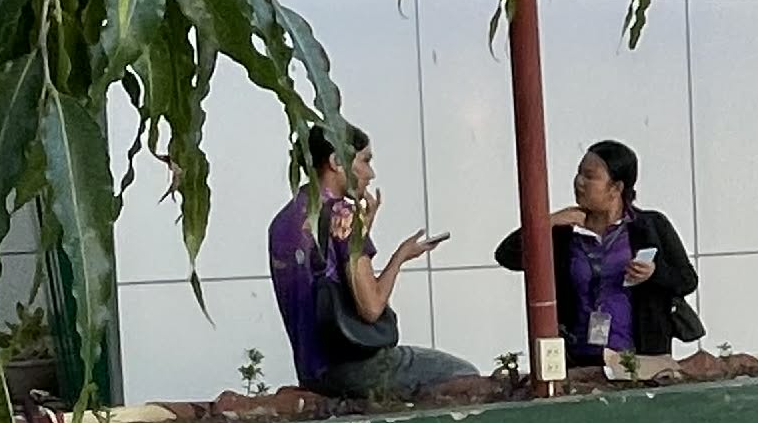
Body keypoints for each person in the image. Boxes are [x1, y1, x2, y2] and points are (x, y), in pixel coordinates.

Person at [267, 123, 478, 403]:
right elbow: (371, 307)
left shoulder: (284, 220)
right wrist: (400, 256)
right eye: (365, 161)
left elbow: (325, 270)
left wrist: (363, 231)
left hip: (311, 370)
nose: (371, 174)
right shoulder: (343, 215)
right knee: (465, 374)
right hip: (355, 367)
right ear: (336, 162)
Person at [499, 138, 702, 382]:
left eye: (589, 176)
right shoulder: (564, 232)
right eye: (578, 173)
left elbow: (687, 280)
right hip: (577, 360)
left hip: (639, 359)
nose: (579, 182)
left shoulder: (650, 226)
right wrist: (546, 223)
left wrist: (654, 273)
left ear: (616, 187)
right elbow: (507, 256)